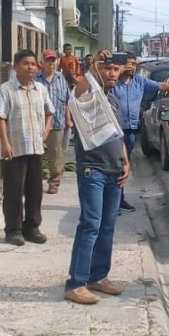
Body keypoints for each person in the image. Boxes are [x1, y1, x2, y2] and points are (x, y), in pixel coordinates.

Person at [64, 50, 131, 305]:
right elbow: (76, 94)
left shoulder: (113, 100)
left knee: (107, 226)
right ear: (98, 71)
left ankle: (98, 276)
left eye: (116, 69)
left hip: (115, 171)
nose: (112, 73)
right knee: (90, 224)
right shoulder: (90, 96)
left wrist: (126, 161)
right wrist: (93, 68)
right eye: (107, 69)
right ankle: (76, 282)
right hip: (93, 170)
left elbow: (118, 135)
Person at [110, 53, 169, 212]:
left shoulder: (140, 82)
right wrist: (119, 70)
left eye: (134, 64)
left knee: (123, 167)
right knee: (115, 166)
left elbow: (163, 85)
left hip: (131, 131)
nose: (131, 67)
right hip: (114, 131)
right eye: (128, 64)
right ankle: (113, 201)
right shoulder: (113, 82)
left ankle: (118, 200)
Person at [0, 49, 54, 246]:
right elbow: (0, 117)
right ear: (15, 66)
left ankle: (32, 227)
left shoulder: (41, 90)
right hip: (15, 149)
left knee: (35, 190)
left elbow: (49, 112)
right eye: (26, 63)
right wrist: (4, 143)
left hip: (36, 148)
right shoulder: (6, 89)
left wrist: (46, 132)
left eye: (33, 64)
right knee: (13, 191)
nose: (31, 67)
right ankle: (13, 230)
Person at [35, 49, 71, 195]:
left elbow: (67, 101)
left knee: (56, 154)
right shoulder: (35, 78)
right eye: (48, 60)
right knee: (35, 154)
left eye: (53, 60)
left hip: (57, 123)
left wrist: (69, 120)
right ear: (42, 62)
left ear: (57, 62)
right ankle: (34, 181)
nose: (51, 63)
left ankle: (54, 182)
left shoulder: (61, 79)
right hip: (37, 123)